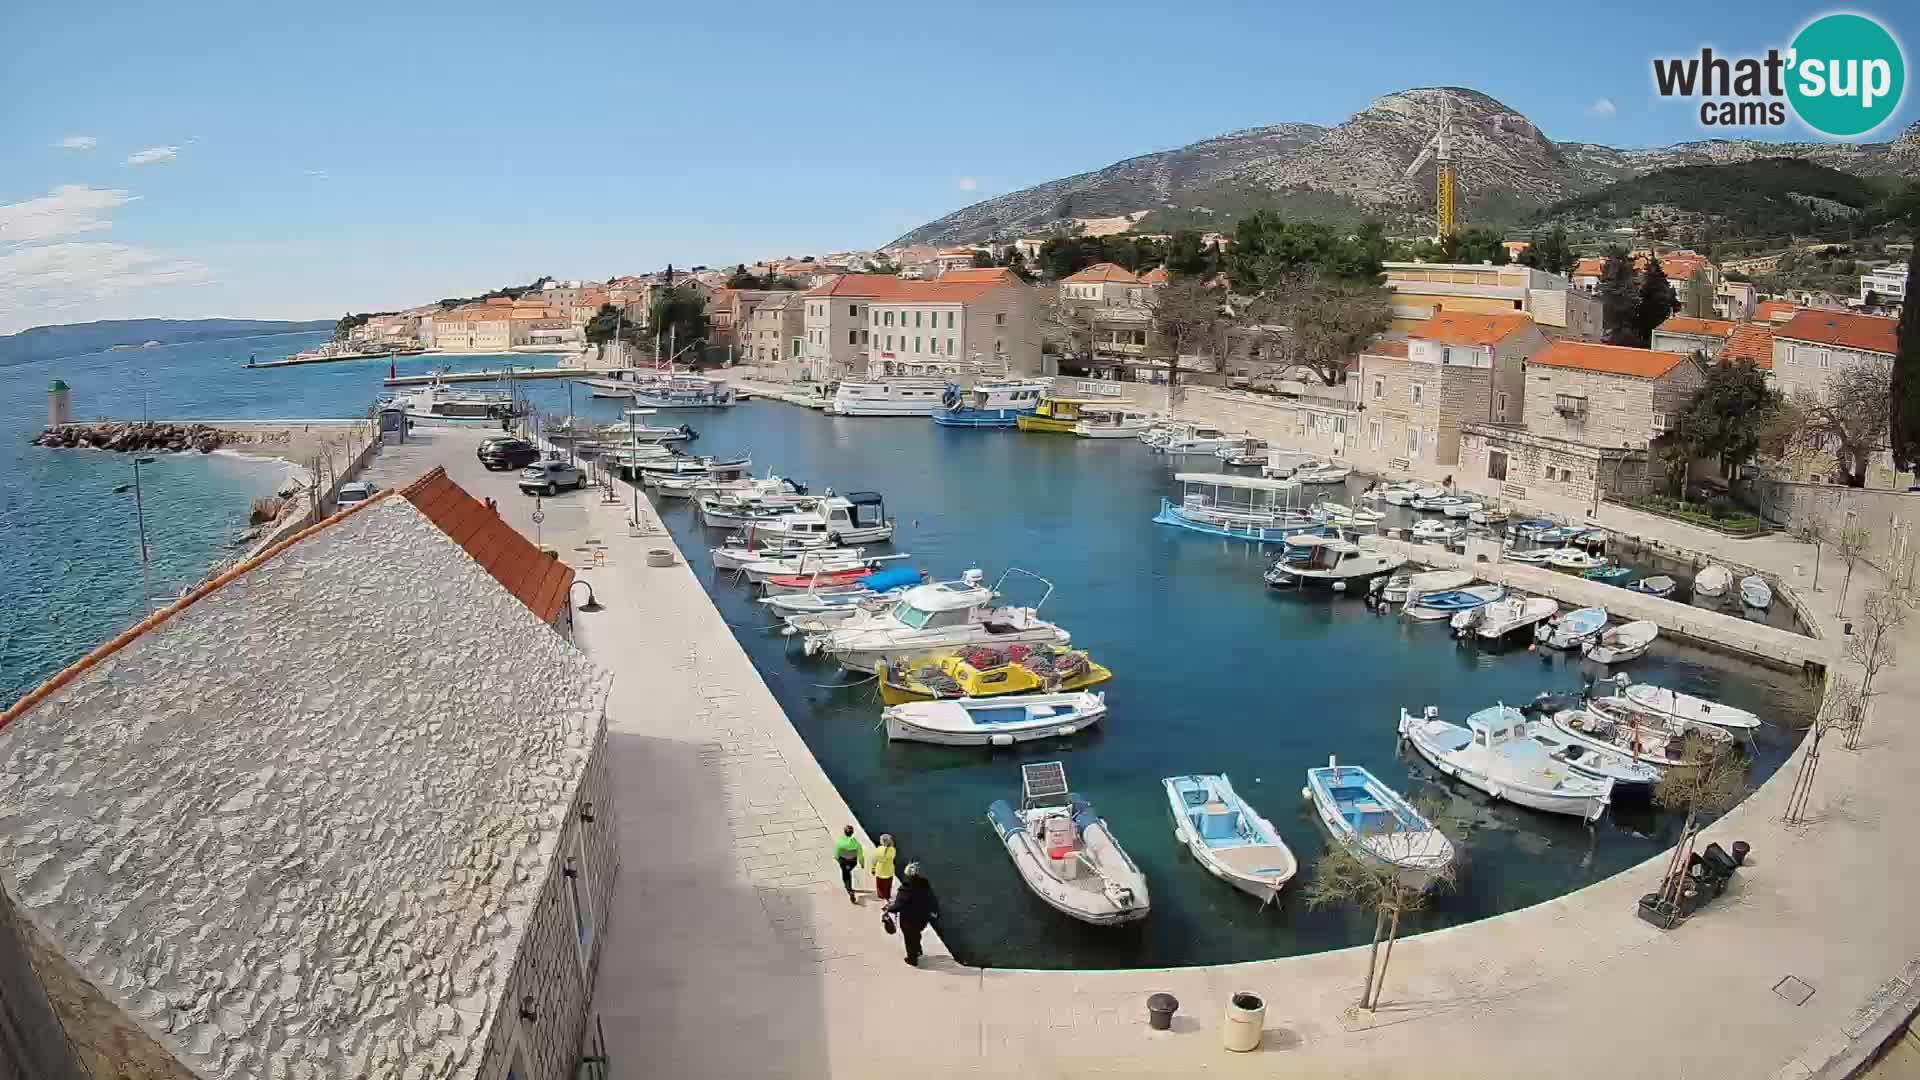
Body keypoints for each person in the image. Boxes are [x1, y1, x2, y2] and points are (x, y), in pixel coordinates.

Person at [885, 861, 939, 966]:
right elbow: (931, 898)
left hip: (909, 919)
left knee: (909, 939)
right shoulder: (925, 883)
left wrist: (889, 909)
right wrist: (934, 910)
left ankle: (912, 959)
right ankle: (918, 950)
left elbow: (899, 905)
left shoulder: (906, 888)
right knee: (916, 933)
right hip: (922, 917)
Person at [832, 824, 865, 904]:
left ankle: (849, 890)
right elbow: (860, 855)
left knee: (845, 874)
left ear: (844, 832)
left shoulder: (840, 842)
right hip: (852, 862)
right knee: (847, 872)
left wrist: (838, 860)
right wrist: (862, 863)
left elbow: (836, 854)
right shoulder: (856, 844)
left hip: (843, 861)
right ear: (852, 833)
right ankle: (849, 888)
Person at [870, 834, 897, 901]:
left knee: (879, 886)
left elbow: (874, 860)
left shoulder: (878, 849)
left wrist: (873, 868)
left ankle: (881, 896)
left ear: (882, 841)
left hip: (879, 871)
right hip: (889, 871)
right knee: (888, 886)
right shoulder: (893, 850)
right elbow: (893, 857)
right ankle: (887, 896)